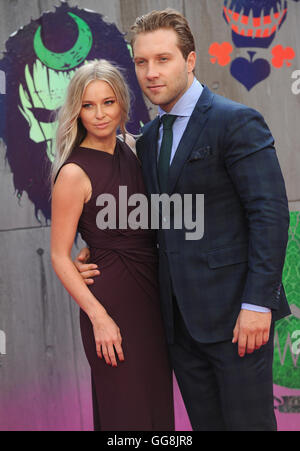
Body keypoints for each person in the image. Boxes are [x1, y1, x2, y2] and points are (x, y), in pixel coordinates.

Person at [76, 10, 291, 431]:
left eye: (163, 59)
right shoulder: (150, 139)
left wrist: (257, 304)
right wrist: (99, 246)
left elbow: (269, 215)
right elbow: (157, 217)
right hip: (178, 328)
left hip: (237, 321)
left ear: (190, 60)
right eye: (141, 62)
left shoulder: (235, 122)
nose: (151, 73)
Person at [50, 59, 174, 431]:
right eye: (88, 105)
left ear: (122, 103)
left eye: (108, 102)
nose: (100, 114)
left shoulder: (135, 150)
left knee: (156, 411)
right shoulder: (73, 173)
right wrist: (99, 317)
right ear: (76, 111)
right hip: (111, 307)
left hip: (151, 301)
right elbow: (59, 255)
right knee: (127, 414)